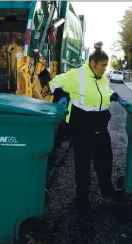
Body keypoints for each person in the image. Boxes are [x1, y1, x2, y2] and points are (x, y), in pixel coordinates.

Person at [48, 41, 126, 208]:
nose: (105, 69)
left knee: (105, 161)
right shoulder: (77, 75)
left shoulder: (102, 78)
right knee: (82, 164)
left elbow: (105, 92)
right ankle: (81, 197)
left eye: (106, 66)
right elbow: (54, 82)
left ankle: (107, 192)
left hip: (100, 127)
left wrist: (115, 96)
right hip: (81, 128)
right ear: (92, 63)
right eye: (103, 65)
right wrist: (62, 95)